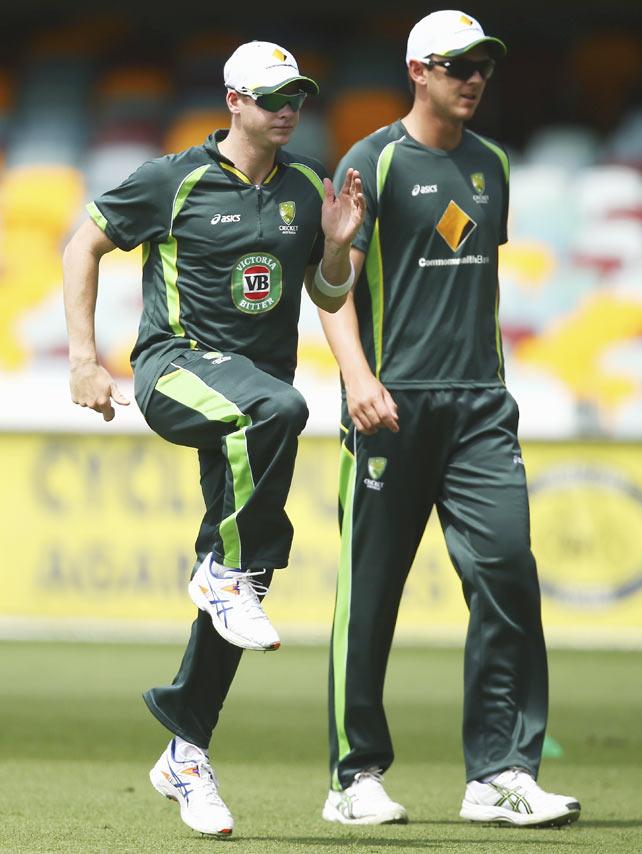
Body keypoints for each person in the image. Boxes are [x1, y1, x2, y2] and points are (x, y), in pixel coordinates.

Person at [62, 39, 364, 838]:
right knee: (284, 415)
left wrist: (335, 249)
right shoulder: (174, 179)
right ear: (233, 101)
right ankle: (223, 569)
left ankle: (184, 752)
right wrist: (86, 360)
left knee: (250, 580)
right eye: (271, 97)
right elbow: (81, 244)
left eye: (296, 93)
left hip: (251, 402)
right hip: (175, 371)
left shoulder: (307, 185)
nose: (288, 107)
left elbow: (328, 293)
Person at [318, 10, 581, 828]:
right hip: (391, 406)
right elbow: (330, 292)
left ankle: (498, 773)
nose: (476, 78)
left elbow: (470, 285)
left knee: (507, 574)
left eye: (484, 66)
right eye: (459, 65)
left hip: (480, 411)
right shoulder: (374, 161)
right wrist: (358, 378)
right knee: (372, 598)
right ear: (418, 71)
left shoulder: (493, 163)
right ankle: (353, 778)